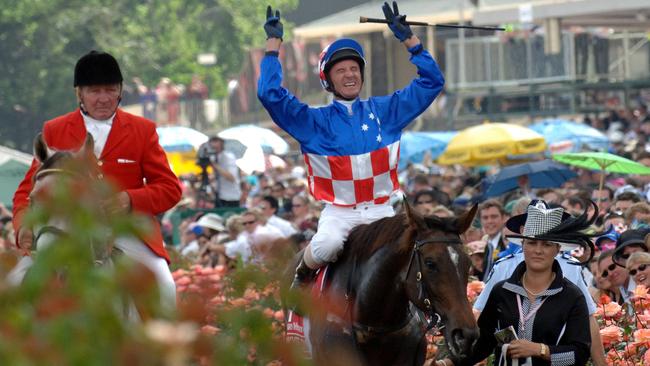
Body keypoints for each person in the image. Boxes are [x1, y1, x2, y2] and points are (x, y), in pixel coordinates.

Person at [258, 2, 445, 287]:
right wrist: (273, 47)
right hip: (340, 214)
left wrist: (411, 41)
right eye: (341, 70)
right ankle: (300, 280)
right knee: (328, 246)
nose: (350, 74)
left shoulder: (386, 111)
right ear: (328, 80)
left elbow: (432, 82)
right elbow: (269, 94)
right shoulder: (312, 122)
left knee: (419, 253)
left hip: (383, 210)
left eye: (354, 68)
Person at [11, 50, 182, 310]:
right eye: (94, 91)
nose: (103, 99)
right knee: (13, 285)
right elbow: (27, 191)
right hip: (66, 230)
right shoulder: (55, 129)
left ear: (120, 91)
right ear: (79, 93)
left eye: (109, 90)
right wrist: (24, 225)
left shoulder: (142, 130)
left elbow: (170, 188)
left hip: (126, 231)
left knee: (165, 286)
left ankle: (165, 348)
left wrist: (130, 199)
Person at [450, 200, 593, 366]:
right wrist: (448, 363)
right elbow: (483, 344)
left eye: (546, 244)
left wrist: (541, 350)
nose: (538, 250)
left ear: (557, 249)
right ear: (522, 245)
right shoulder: (501, 291)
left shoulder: (572, 296)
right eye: (532, 243)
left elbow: (580, 355)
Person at [197, 136, 241, 208]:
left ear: (222, 142)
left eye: (215, 141)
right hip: (219, 196)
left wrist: (215, 165)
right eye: (211, 141)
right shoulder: (213, 157)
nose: (213, 144)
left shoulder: (228, 157)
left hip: (231, 198)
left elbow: (232, 177)